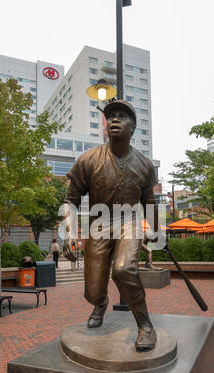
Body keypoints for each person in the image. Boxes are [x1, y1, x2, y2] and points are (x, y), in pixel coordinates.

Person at [62, 100, 158, 351]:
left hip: (129, 221)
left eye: (121, 116)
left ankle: (145, 325)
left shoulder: (145, 165)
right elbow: (70, 201)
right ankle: (101, 303)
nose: (114, 120)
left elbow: (150, 203)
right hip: (99, 225)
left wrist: (158, 231)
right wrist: (69, 233)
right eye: (110, 116)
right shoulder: (89, 159)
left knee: (124, 270)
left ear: (133, 127)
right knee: (92, 292)